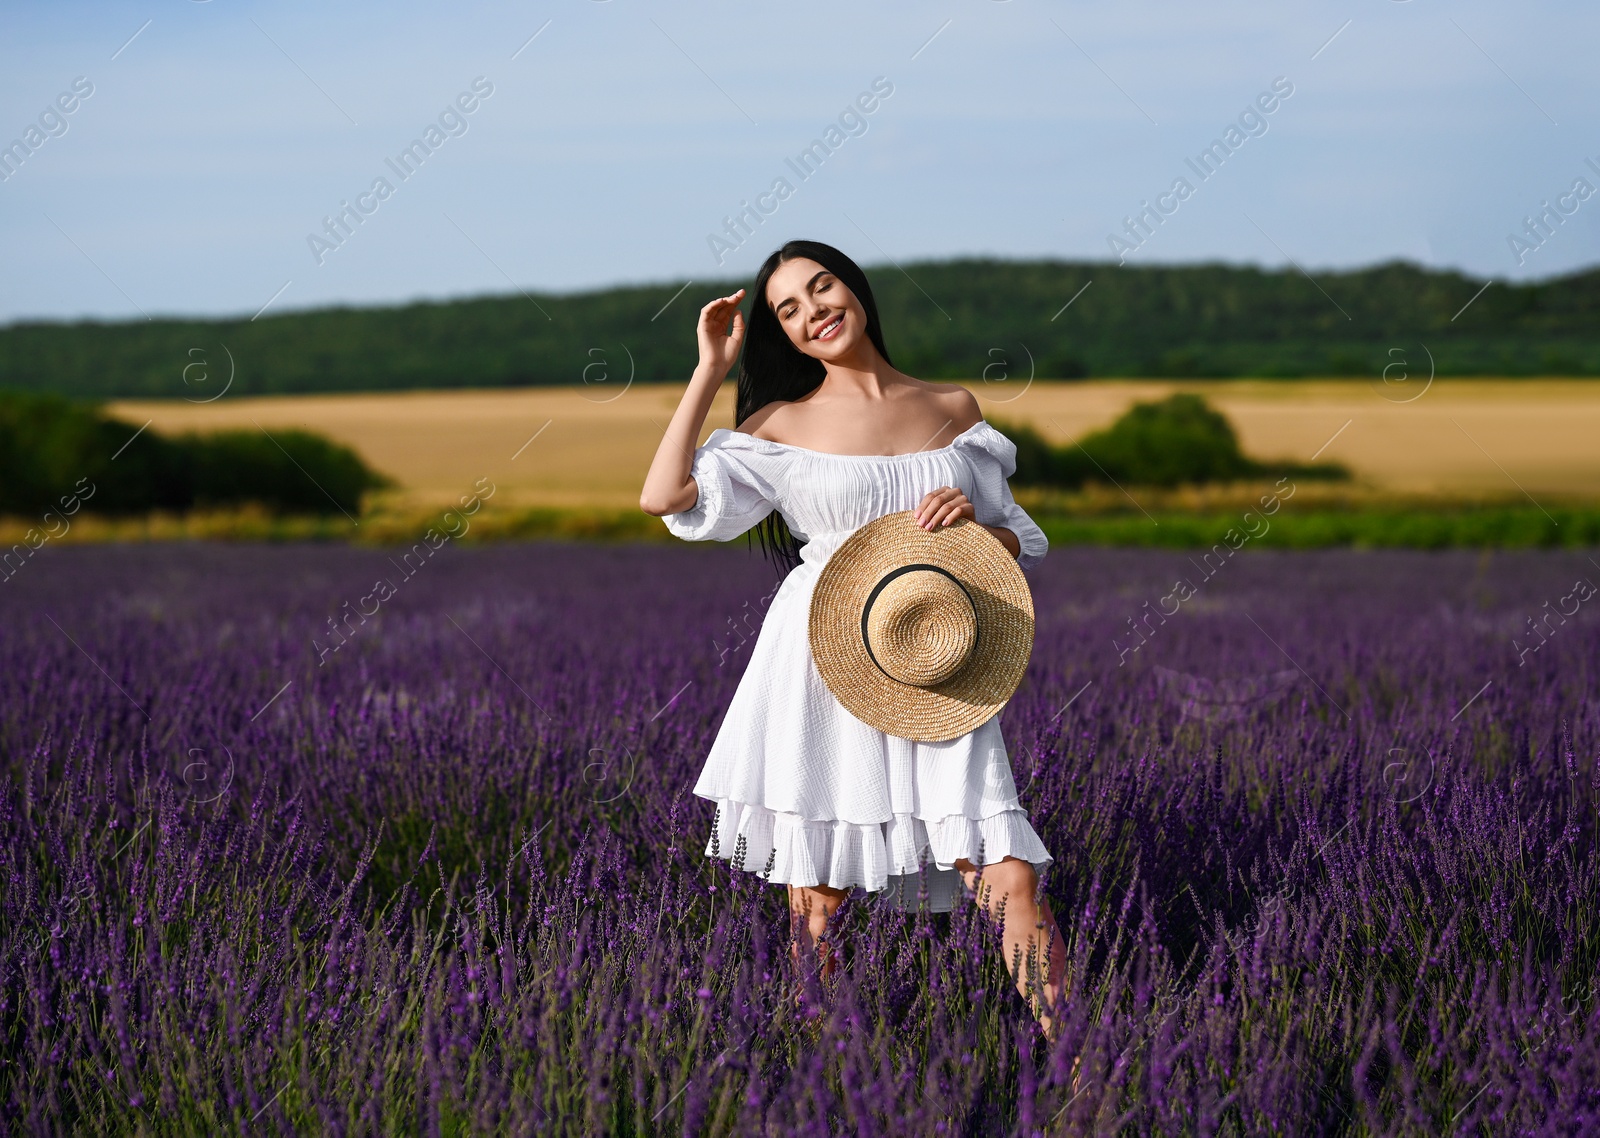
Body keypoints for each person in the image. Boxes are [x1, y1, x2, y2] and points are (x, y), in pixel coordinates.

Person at [639, 239, 1071, 1041]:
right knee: (818, 902)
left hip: (935, 655)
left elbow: (1020, 539)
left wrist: (976, 527)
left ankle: (1092, 1084)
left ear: (856, 288)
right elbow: (665, 495)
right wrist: (710, 369)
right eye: (789, 311)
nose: (814, 313)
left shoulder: (953, 408)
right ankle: (833, 1085)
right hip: (820, 662)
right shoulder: (776, 423)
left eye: (823, 286)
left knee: (1007, 879)